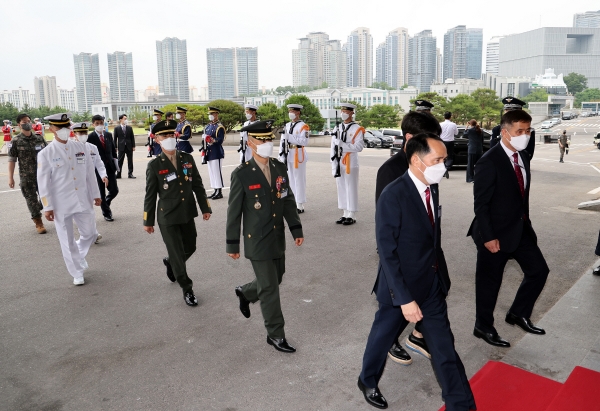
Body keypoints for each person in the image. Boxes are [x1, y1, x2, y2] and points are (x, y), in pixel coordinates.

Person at [358, 133, 475, 411]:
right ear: (416, 160)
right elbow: (387, 252)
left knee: (444, 349)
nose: (443, 166)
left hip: (431, 284)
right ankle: (367, 379)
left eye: (444, 160)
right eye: (437, 160)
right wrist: (404, 298)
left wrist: (439, 279)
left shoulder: (431, 186)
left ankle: (462, 405)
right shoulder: (393, 195)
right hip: (400, 288)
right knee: (382, 338)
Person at [467, 109, 549, 348]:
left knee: (539, 271)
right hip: (493, 233)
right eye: (519, 131)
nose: (524, 136)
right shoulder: (488, 161)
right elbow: (480, 205)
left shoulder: (522, 156)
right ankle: (483, 326)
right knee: (489, 283)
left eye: (528, 131)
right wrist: (489, 237)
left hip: (520, 229)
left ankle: (517, 313)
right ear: (505, 132)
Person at [226, 120, 304, 353]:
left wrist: (295, 228)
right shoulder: (241, 174)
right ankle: (276, 334)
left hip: (276, 236)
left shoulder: (279, 167)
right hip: (256, 239)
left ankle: (246, 291)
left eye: (269, 139)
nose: (267, 143)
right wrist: (232, 244)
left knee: (277, 277)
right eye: (262, 140)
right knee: (270, 288)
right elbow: (234, 213)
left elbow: (287, 200)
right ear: (250, 143)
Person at [374, 111, 442, 365]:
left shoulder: (429, 165)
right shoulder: (390, 172)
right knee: (394, 306)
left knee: (433, 294)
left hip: (427, 251)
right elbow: (386, 226)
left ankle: (417, 336)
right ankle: (387, 345)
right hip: (402, 253)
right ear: (411, 138)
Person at [143, 119, 212, 306]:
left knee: (191, 247)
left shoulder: (187, 159)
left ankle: (171, 262)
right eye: (163, 135)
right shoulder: (155, 165)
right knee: (177, 253)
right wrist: (147, 220)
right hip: (167, 216)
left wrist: (205, 207)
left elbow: (197, 184)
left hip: (187, 212)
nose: (168, 138)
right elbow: (150, 195)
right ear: (157, 139)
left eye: (170, 134)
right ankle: (187, 289)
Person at [37, 113, 101, 285]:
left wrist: (96, 194)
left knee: (90, 233)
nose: (64, 131)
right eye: (59, 128)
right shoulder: (46, 153)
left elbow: (90, 174)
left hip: (82, 199)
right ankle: (77, 272)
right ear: (51, 129)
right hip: (61, 203)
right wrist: (47, 206)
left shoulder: (81, 147)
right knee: (66, 239)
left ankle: (78, 256)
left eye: (66, 127)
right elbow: (43, 183)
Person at [7, 113, 49, 234]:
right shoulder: (16, 141)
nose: (27, 123)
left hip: (42, 175)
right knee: (31, 199)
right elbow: (11, 160)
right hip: (27, 177)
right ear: (19, 125)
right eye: (24, 122)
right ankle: (38, 222)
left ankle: (40, 208)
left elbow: (49, 155)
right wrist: (10, 178)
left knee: (45, 198)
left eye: (28, 121)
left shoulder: (39, 138)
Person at [72, 122, 109, 245]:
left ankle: (93, 233)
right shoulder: (70, 148)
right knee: (79, 211)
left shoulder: (92, 147)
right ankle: (86, 234)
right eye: (80, 133)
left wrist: (104, 175)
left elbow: (99, 163)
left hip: (90, 182)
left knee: (90, 210)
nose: (83, 135)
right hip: (76, 184)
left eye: (84, 132)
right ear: (74, 134)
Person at [330, 103, 365, 225]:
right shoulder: (337, 127)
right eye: (342, 111)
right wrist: (333, 163)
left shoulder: (357, 129)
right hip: (339, 160)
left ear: (351, 113)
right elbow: (332, 147)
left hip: (351, 161)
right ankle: (344, 212)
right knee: (341, 187)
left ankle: (352, 214)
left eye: (345, 111)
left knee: (351, 187)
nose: (343, 113)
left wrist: (343, 145)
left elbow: (359, 147)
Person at [87, 115, 119, 222]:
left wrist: (116, 163)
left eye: (101, 123)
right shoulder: (90, 138)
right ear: (93, 124)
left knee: (114, 190)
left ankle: (106, 202)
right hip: (97, 169)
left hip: (109, 166)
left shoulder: (108, 135)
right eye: (97, 123)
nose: (99, 125)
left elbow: (113, 151)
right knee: (101, 191)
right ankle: (106, 213)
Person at [280, 104, 310, 213]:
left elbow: (304, 141)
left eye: (292, 111)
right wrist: (281, 154)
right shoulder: (287, 125)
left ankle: (300, 204)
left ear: (298, 113)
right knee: (290, 179)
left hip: (298, 154)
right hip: (288, 154)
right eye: (289, 111)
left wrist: (290, 137)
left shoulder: (303, 126)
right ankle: (292, 202)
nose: (290, 113)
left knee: (299, 180)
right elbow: (282, 141)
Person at [203, 106, 225, 200]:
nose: (210, 116)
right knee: (211, 172)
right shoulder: (208, 126)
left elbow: (220, 140)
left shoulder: (219, 127)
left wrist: (212, 140)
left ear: (216, 115)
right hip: (209, 151)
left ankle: (219, 191)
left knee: (216, 172)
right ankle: (215, 190)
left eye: (212, 114)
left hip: (216, 151)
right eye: (210, 114)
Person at [113, 114, 136, 178]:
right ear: (121, 120)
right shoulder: (117, 128)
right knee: (120, 161)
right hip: (121, 147)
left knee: (130, 161)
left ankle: (130, 174)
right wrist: (115, 147)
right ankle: (119, 174)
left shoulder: (129, 128)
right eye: (124, 119)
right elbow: (115, 138)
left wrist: (133, 146)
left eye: (126, 119)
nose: (126, 120)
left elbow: (132, 137)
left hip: (129, 146)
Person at [440, 112, 458, 179]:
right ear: (450, 117)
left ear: (444, 117)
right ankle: (446, 168)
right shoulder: (453, 124)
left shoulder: (440, 124)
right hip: (450, 142)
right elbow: (456, 133)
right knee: (450, 156)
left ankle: (442, 170)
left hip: (442, 142)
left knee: (441, 156)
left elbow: (438, 133)